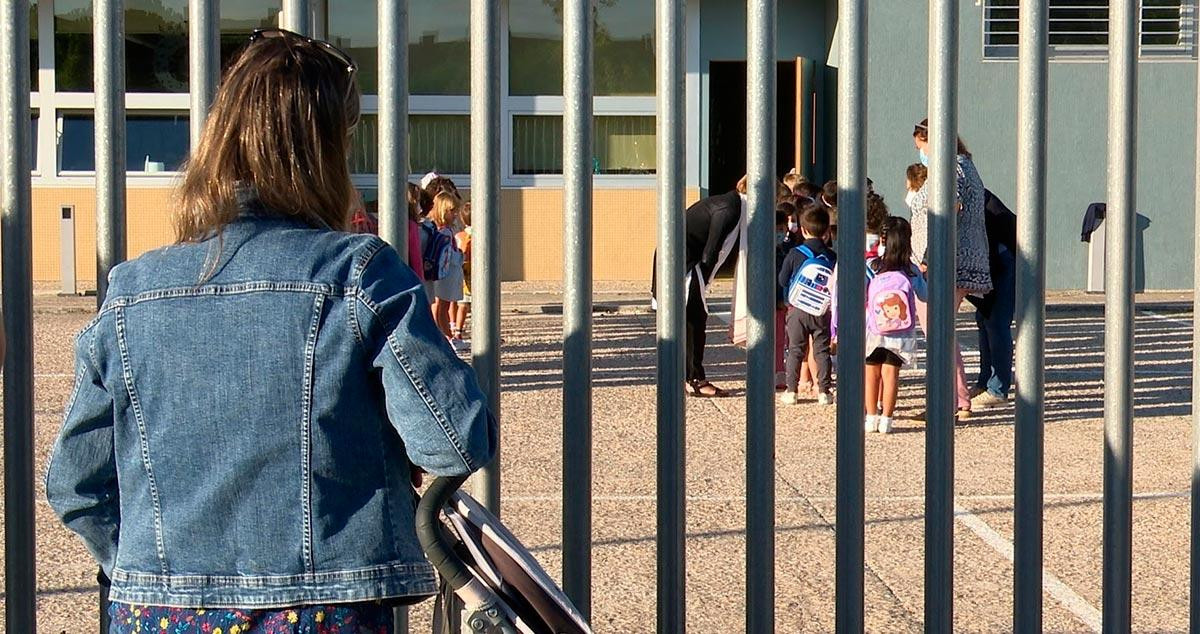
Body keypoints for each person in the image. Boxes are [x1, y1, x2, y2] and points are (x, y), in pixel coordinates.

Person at [44, 29, 497, 632]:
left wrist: (151, 568)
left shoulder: (132, 290)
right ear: (325, 152)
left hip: (159, 612)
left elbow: (75, 484)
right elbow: (456, 438)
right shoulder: (357, 273)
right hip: (324, 609)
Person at [909, 118, 993, 421]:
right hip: (955, 260)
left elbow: (949, 208)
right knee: (941, 331)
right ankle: (956, 398)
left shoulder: (951, 168)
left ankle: (949, 401)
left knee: (938, 331)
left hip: (946, 262)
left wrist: (931, 255)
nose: (922, 154)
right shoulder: (963, 166)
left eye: (922, 146)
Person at [864, 217, 927, 434]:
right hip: (901, 332)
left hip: (874, 329)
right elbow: (925, 295)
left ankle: (870, 417)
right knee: (891, 375)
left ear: (883, 240)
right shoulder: (911, 271)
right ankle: (887, 419)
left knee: (871, 373)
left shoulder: (872, 266)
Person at [778, 205, 837, 405]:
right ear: (827, 231)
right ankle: (824, 391)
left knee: (795, 349)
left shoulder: (795, 253)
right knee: (822, 350)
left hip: (797, 309)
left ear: (803, 230)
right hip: (821, 311)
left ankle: (792, 390)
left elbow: (782, 279)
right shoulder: (831, 256)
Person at [967, 190, 1017, 409]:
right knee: (985, 319)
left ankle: (997, 388)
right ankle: (986, 381)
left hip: (1000, 261)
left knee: (996, 322)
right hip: (994, 261)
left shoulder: (972, 193)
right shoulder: (977, 193)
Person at [429, 192, 467, 349]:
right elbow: (448, 256)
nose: (455, 215)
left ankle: (444, 335)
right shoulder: (444, 232)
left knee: (440, 305)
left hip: (442, 274)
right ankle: (448, 337)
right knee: (442, 306)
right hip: (446, 274)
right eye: (452, 211)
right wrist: (460, 256)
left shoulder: (439, 230)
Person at [453, 201, 474, 348]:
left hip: (461, 274)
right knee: (480, 306)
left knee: (462, 305)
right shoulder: (480, 236)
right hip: (474, 274)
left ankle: (457, 331)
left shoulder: (459, 235)